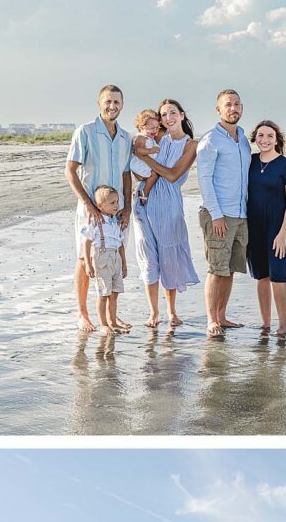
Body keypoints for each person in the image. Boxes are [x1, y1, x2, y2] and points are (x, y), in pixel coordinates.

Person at [66, 85, 133, 332]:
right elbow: (70, 171)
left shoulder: (126, 137)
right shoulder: (85, 132)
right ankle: (83, 313)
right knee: (86, 259)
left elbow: (127, 174)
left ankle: (111, 317)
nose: (112, 106)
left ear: (122, 105)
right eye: (107, 101)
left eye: (116, 101)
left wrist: (127, 207)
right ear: (99, 103)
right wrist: (88, 204)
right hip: (91, 211)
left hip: (117, 212)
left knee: (113, 258)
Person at [131, 98, 200, 328]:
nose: (168, 118)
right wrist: (143, 167)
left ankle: (172, 312)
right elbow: (137, 160)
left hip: (169, 204)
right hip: (144, 201)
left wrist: (146, 159)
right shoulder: (158, 138)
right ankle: (153, 313)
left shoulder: (191, 145)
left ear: (181, 115)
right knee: (148, 258)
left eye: (172, 113)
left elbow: (172, 175)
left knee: (169, 257)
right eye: (163, 115)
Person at [196, 89, 252, 339]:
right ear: (218, 110)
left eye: (237, 104)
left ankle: (222, 316)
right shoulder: (210, 140)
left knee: (230, 269)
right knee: (216, 268)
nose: (234, 108)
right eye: (228, 105)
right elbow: (204, 180)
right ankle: (211, 320)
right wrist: (216, 215)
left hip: (241, 214)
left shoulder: (242, 137)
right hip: (219, 214)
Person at [246, 120, 286, 336]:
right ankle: (266, 323)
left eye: (269, 136)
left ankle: (283, 323)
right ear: (255, 138)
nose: (264, 140)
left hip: (278, 227)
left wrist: (283, 234)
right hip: (254, 225)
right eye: (260, 135)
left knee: (278, 276)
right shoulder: (250, 161)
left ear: (277, 139)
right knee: (261, 276)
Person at [79, 186, 130, 335]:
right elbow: (87, 242)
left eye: (117, 202)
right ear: (100, 205)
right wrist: (88, 264)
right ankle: (103, 324)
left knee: (114, 293)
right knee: (103, 294)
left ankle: (113, 322)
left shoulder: (116, 222)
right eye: (112, 203)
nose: (116, 206)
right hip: (102, 258)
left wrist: (124, 264)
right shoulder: (96, 221)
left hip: (116, 259)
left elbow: (121, 246)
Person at [130, 109, 165, 205]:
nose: (155, 130)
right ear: (142, 127)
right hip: (139, 164)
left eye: (157, 128)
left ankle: (138, 191)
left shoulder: (150, 138)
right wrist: (150, 150)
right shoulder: (141, 138)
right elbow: (138, 150)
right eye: (152, 128)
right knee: (154, 174)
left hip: (145, 163)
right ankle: (144, 192)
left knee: (154, 175)